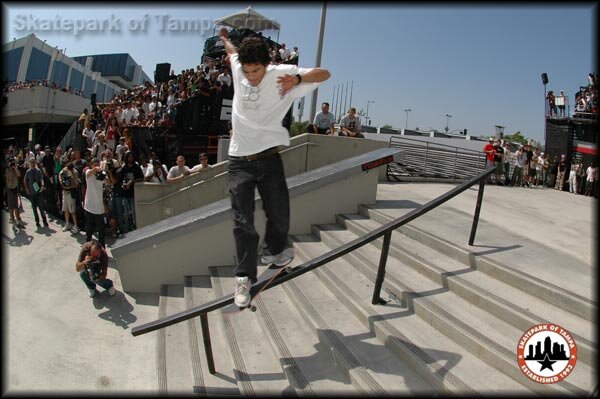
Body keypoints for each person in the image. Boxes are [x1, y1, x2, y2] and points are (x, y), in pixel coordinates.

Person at [219, 27, 330, 308]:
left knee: (279, 213)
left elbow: (324, 73)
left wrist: (298, 79)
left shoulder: (282, 74)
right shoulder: (238, 67)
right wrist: (224, 38)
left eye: (256, 71)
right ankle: (244, 277)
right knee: (242, 222)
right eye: (247, 71)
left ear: (266, 66)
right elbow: (232, 52)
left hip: (269, 159)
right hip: (239, 162)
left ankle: (275, 251)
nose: (251, 77)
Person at [83, 157, 110, 247]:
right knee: (89, 229)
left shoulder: (101, 174)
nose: (96, 166)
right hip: (89, 206)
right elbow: (89, 173)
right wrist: (95, 169)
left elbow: (108, 183)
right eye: (94, 165)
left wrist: (104, 175)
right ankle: (87, 247)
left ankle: (102, 248)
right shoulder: (88, 172)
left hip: (98, 207)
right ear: (91, 165)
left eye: (97, 165)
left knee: (101, 230)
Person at [24, 158, 49, 228]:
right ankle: (37, 221)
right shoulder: (28, 172)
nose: (32, 163)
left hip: (38, 192)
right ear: (30, 163)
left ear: (35, 163)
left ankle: (45, 221)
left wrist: (42, 185)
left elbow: (41, 179)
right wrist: (26, 189)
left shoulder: (38, 171)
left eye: (33, 162)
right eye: (31, 162)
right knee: (34, 208)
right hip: (32, 193)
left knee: (41, 208)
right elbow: (25, 180)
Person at [59, 162, 80, 233]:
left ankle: (75, 226)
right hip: (64, 192)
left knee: (72, 210)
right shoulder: (65, 169)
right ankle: (67, 223)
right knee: (65, 209)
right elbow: (60, 174)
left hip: (71, 193)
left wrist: (68, 186)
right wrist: (61, 181)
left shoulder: (75, 172)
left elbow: (76, 185)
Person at [5, 156, 24, 228]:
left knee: (16, 206)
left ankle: (18, 220)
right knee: (11, 206)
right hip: (10, 189)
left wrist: (15, 168)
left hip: (15, 188)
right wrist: (10, 169)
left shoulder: (15, 169)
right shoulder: (7, 170)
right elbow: (8, 178)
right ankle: (13, 220)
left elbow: (19, 175)